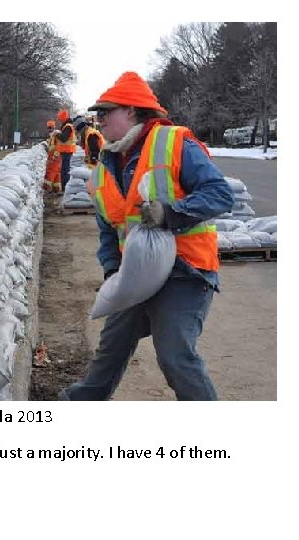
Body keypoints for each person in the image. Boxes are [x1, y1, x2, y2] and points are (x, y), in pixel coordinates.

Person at [61, 71, 234, 400]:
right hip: (137, 274)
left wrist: (170, 214)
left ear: (131, 111)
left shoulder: (174, 142)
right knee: (110, 349)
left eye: (105, 113)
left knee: (175, 356)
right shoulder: (105, 168)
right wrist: (113, 272)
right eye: (97, 114)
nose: (99, 121)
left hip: (186, 270)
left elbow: (219, 194)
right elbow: (108, 230)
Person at [54, 109, 77, 193]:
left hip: (67, 151)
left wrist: (57, 134)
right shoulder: (67, 126)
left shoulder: (67, 127)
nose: (59, 121)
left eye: (60, 119)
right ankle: (65, 187)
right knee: (64, 169)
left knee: (65, 170)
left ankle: (65, 188)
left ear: (63, 118)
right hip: (66, 151)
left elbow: (64, 138)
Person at [43, 119, 62, 192]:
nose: (49, 129)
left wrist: (55, 156)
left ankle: (47, 186)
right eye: (48, 128)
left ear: (53, 127)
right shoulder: (52, 136)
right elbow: (51, 146)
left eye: (50, 128)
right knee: (56, 173)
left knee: (51, 171)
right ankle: (56, 188)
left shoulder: (56, 135)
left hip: (55, 157)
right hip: (54, 157)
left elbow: (58, 146)